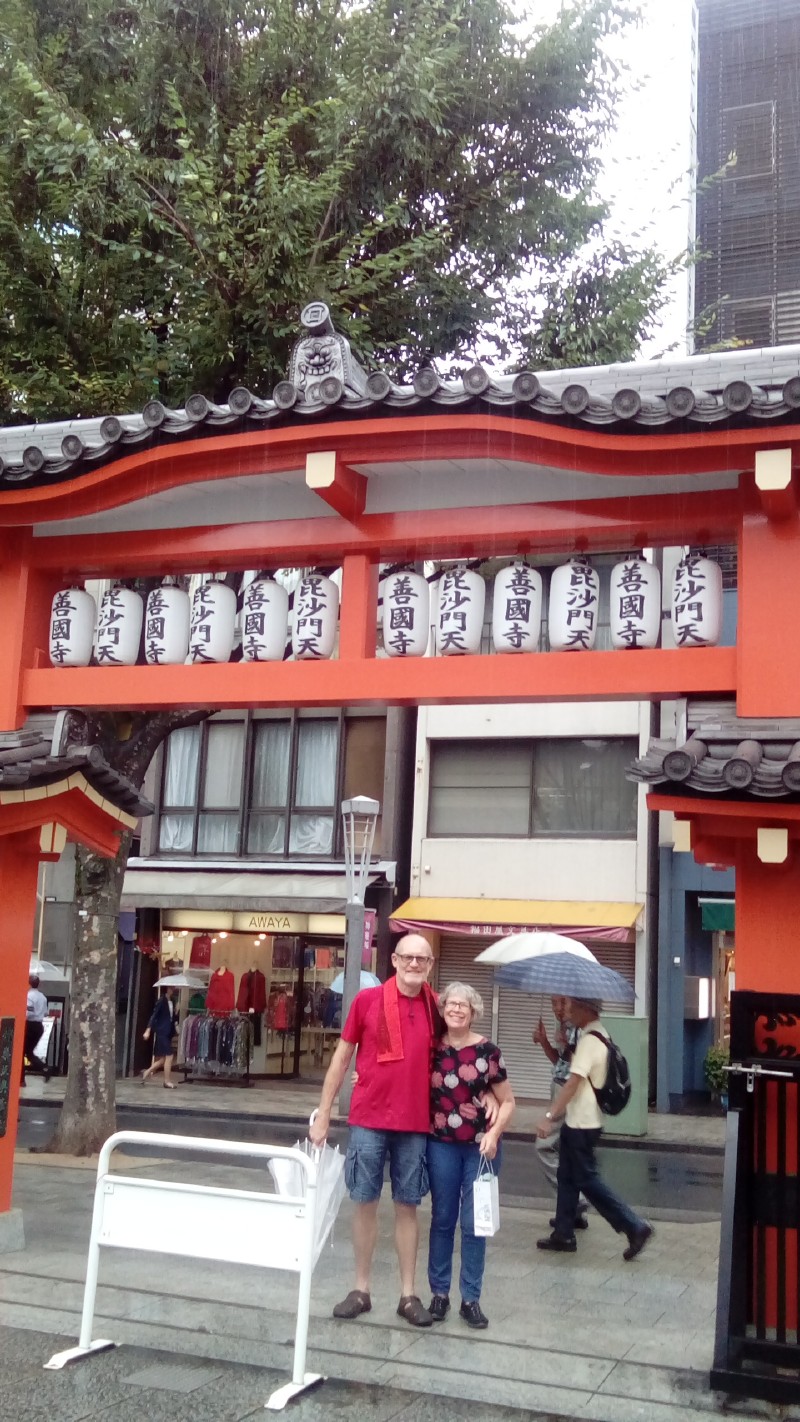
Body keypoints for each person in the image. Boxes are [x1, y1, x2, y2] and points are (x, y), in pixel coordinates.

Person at [309, 933, 440, 1328]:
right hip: (368, 1118)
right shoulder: (367, 1001)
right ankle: (361, 1289)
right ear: (394, 961)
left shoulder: (435, 1006)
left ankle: (408, 1294)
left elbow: (457, 1056)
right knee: (363, 1201)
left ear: (430, 965)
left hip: (415, 1122)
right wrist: (324, 1112)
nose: (414, 964)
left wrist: (492, 1096)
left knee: (408, 1205)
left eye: (422, 959)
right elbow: (341, 1058)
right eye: (408, 957)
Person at [535, 997, 652, 1260]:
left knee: (586, 1179)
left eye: (571, 1007)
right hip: (580, 1121)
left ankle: (634, 1225)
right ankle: (563, 1233)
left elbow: (572, 1083)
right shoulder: (597, 1034)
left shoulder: (590, 1041)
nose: (567, 1011)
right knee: (567, 1175)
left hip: (582, 1123)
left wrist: (549, 1116)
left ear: (585, 1009)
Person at [427, 982, 515, 1330]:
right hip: (441, 1144)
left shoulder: (488, 1052)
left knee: (475, 1223)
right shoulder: (432, 1048)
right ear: (443, 1009)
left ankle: (471, 1299)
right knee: (442, 1218)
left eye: (463, 1005)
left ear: (473, 1011)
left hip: (481, 1149)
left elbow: (508, 1102)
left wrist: (494, 1133)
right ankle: (439, 1293)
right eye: (451, 1004)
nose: (456, 1009)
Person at [532, 995, 587, 1232]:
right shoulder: (566, 1027)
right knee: (565, 1153)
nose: (558, 1008)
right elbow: (560, 1064)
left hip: (567, 1093)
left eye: (563, 1002)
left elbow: (576, 1070)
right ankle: (570, 1211)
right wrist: (545, 1042)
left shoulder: (579, 1028)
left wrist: (568, 1044)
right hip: (560, 1088)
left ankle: (577, 1200)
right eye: (554, 1003)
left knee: (544, 1147)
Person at [141, 988, 178, 1088]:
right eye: (171, 987)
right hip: (162, 1032)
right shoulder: (161, 1001)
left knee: (163, 1059)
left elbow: (172, 1018)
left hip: (169, 1032)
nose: (173, 989)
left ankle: (147, 1072)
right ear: (167, 989)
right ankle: (167, 1081)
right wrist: (148, 1030)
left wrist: (176, 1012)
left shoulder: (173, 1000)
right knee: (170, 1056)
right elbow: (154, 1016)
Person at [21, 974, 50, 1084]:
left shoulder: (29, 996)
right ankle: (44, 1068)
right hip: (39, 1026)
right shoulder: (43, 997)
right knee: (28, 1052)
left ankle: (21, 1079)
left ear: (28, 984)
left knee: (23, 1052)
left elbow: (29, 1012)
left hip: (29, 1025)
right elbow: (45, 1013)